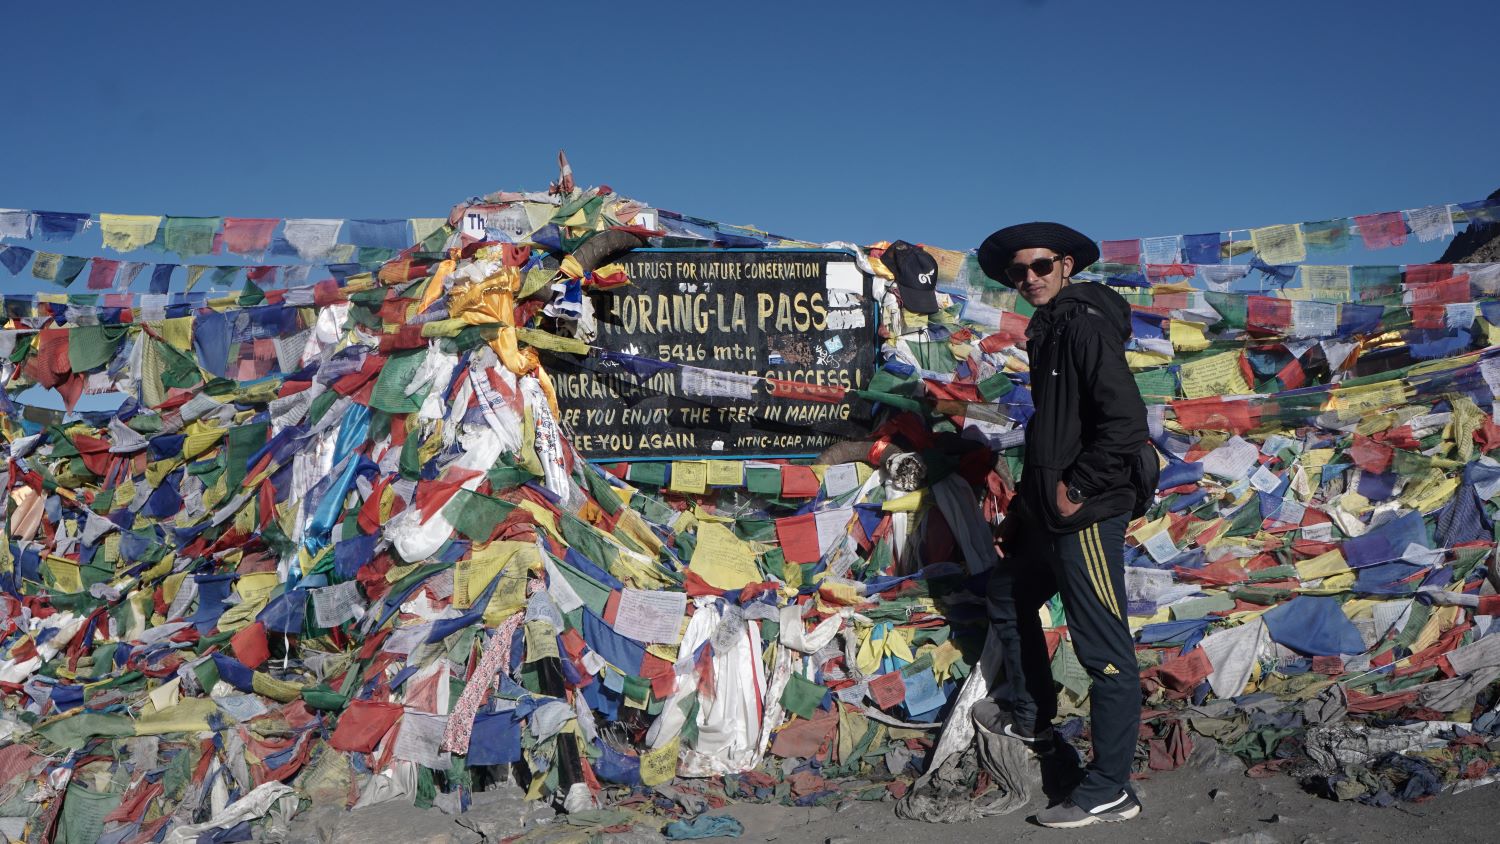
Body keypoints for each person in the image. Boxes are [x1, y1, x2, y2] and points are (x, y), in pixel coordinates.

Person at [974, 222, 1149, 828]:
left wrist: (1077, 490)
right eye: (1018, 273)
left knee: (1103, 650)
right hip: (1048, 514)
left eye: (1040, 266)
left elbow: (1125, 423)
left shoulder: (1082, 323)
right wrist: (1025, 509)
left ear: (1066, 265)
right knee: (1006, 592)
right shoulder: (1048, 328)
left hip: (1086, 517)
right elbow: (1053, 432)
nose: (1029, 279)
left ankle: (1109, 789)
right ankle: (1032, 718)